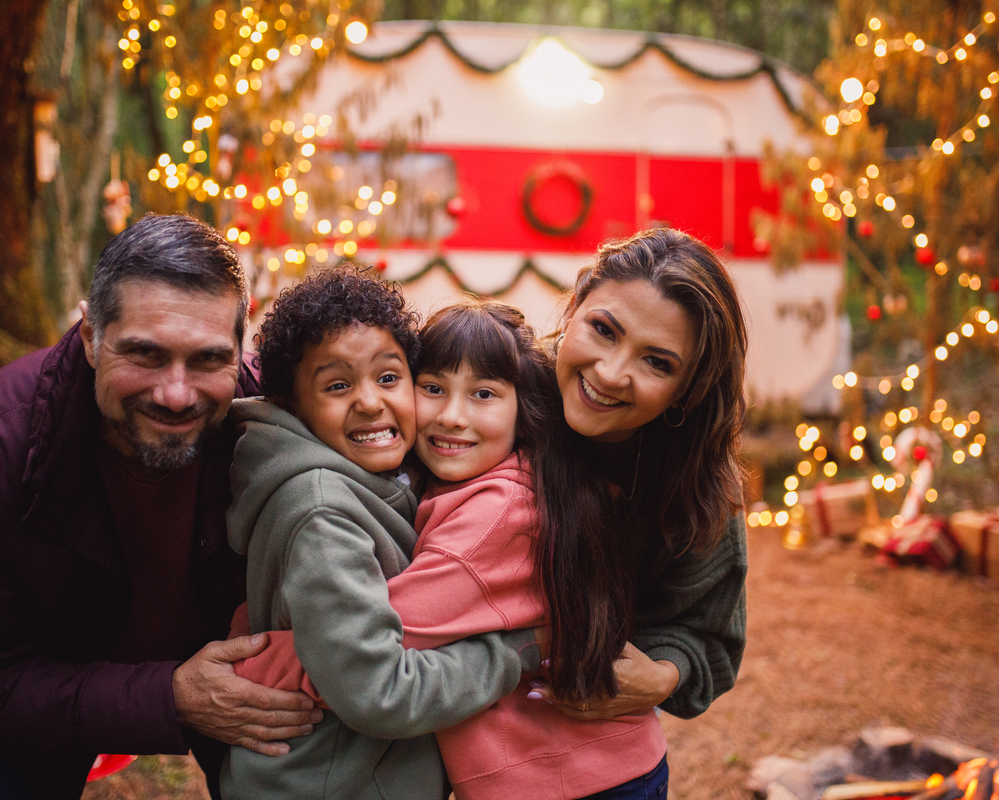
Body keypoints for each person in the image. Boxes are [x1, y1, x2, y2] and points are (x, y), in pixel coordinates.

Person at [0, 214, 321, 800]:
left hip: (245, 676)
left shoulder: (279, 419)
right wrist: (171, 696)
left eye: (208, 360)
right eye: (146, 355)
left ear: (241, 348)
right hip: (54, 687)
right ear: (89, 337)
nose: (176, 393)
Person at [238, 299, 670, 799]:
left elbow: (373, 649)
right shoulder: (473, 484)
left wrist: (246, 665)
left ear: (522, 410)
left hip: (578, 780)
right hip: (570, 771)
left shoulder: (494, 518)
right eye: (433, 388)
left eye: (483, 394)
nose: (452, 416)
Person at [221, 270, 539, 800]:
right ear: (292, 405)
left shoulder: (383, 477)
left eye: (389, 378)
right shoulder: (323, 514)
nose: (370, 402)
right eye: (338, 385)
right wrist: (515, 652)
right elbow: (380, 692)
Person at [527, 226, 750, 798]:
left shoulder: (695, 484)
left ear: (686, 389)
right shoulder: (493, 396)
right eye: (603, 329)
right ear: (574, 307)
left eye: (656, 362)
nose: (610, 372)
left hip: (600, 767)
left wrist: (662, 675)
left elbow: (709, 632)